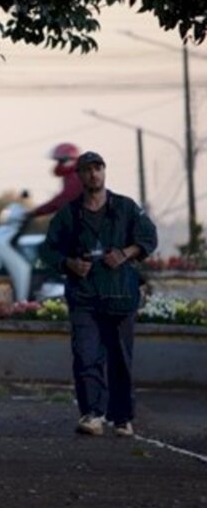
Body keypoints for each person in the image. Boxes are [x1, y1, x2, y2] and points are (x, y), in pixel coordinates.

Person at [40, 151, 157, 437]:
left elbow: (149, 237)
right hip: (84, 297)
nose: (94, 174)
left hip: (120, 296)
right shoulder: (69, 214)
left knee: (120, 359)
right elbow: (47, 250)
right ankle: (92, 414)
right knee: (86, 355)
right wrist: (69, 263)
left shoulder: (126, 208)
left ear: (104, 172)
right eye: (88, 170)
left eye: (98, 168)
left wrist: (125, 254)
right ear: (79, 176)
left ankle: (122, 418)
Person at [28, 142, 84, 219]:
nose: (58, 165)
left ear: (71, 160)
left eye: (61, 161)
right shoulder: (74, 174)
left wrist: (37, 212)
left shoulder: (75, 176)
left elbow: (63, 199)